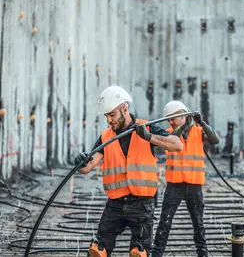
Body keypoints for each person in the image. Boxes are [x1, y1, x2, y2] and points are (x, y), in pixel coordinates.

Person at [75, 86, 183, 257]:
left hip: (141, 203)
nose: (109, 120)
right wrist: (81, 162)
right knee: (98, 250)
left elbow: (177, 144)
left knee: (138, 252)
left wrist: (149, 137)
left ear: (125, 109)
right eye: (106, 116)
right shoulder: (105, 137)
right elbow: (88, 166)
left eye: (112, 115)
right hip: (115, 203)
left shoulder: (147, 128)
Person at [151, 101, 220, 257]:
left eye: (172, 118)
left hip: (194, 186)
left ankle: (203, 253)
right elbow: (170, 141)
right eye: (168, 119)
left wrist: (201, 122)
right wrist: (182, 127)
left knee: (198, 224)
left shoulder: (199, 131)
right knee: (164, 222)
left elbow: (215, 140)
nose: (170, 122)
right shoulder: (169, 133)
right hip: (174, 185)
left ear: (182, 115)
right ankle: (156, 253)